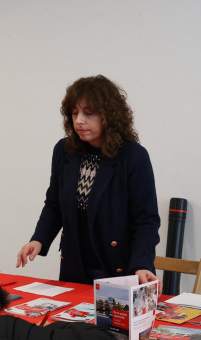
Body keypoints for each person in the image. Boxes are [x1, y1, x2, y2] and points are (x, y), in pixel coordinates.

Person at [17, 75, 161, 284]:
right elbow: (54, 204)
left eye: (88, 113)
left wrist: (141, 264)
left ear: (109, 116)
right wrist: (38, 239)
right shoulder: (64, 150)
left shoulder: (133, 155)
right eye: (74, 113)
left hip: (119, 268)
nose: (79, 121)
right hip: (75, 265)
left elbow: (146, 220)